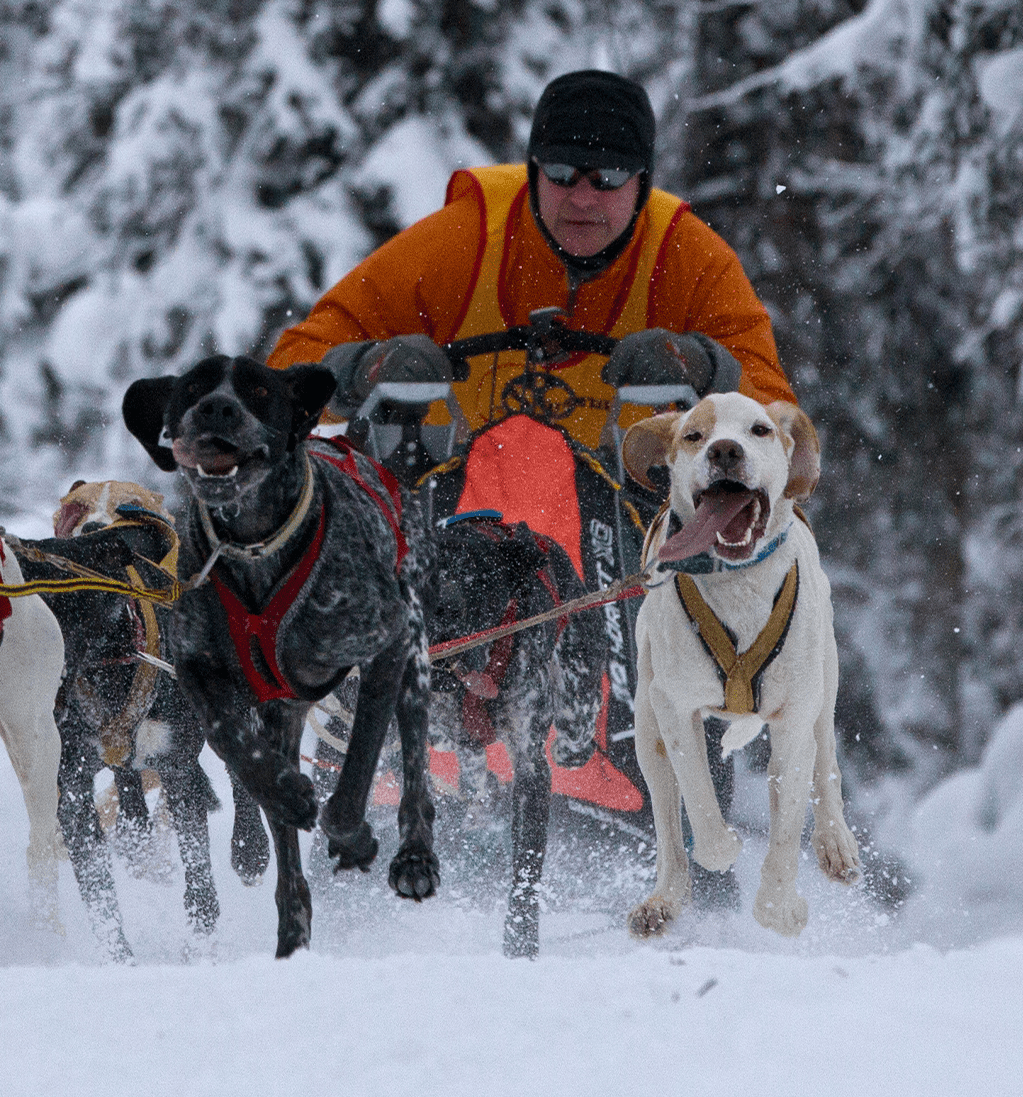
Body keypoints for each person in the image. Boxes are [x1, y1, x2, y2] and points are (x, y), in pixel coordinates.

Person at [267, 69, 795, 804]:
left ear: (642, 182)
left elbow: (779, 424)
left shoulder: (690, 260)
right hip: (454, 511)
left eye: (609, 177)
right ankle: (374, 740)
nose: (583, 196)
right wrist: (363, 366)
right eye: (561, 172)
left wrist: (704, 368)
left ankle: (669, 774)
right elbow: (286, 372)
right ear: (532, 170)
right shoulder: (462, 242)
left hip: (625, 529)